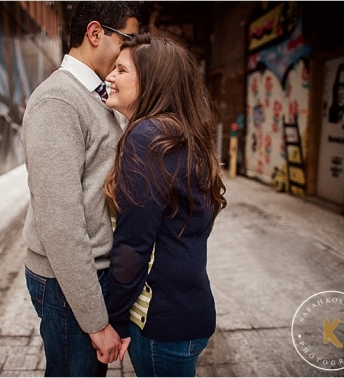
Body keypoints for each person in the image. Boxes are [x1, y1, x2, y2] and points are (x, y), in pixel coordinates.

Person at [21, 2, 139, 376]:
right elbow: (60, 222)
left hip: (84, 274)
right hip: (66, 280)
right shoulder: (59, 100)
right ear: (95, 33)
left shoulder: (93, 95)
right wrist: (95, 321)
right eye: (126, 39)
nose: (129, 50)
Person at [103, 34, 227, 376]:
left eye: (121, 70)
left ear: (151, 83)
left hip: (162, 322)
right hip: (187, 312)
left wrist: (112, 317)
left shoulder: (147, 139)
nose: (110, 77)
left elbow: (133, 245)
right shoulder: (179, 133)